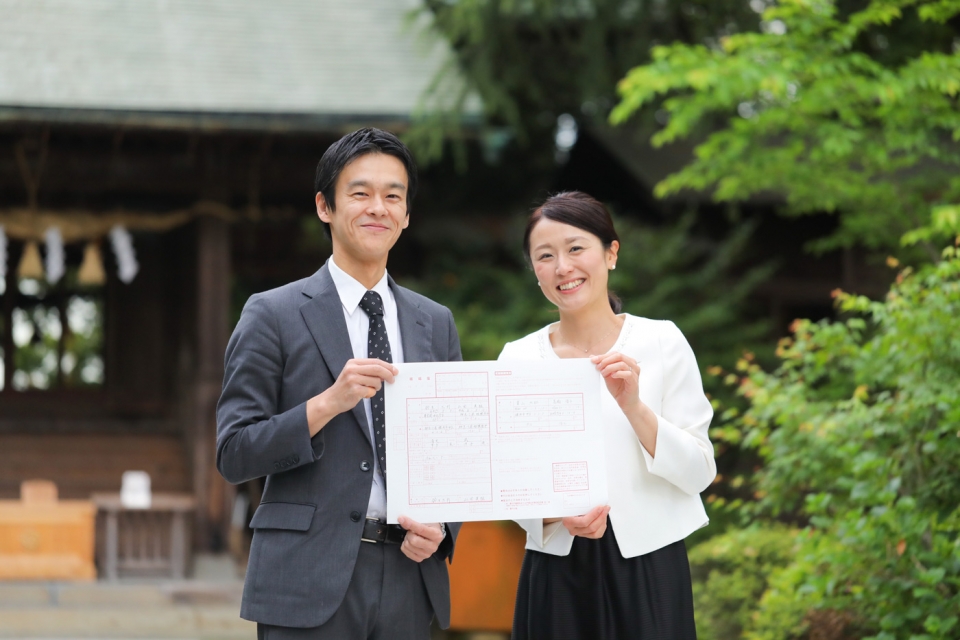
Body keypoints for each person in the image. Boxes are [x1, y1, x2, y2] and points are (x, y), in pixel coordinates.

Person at [217, 128, 462, 639]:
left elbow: (455, 454)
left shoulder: (434, 322)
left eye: (393, 195)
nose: (379, 207)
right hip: (305, 579)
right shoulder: (272, 313)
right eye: (360, 193)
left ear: (407, 215)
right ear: (325, 206)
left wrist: (442, 532)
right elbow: (235, 453)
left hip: (409, 578)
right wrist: (327, 403)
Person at [499, 191, 716, 639]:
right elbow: (506, 484)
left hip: (650, 565)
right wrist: (554, 516)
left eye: (576, 248)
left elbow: (699, 472)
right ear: (534, 270)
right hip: (556, 567)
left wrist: (634, 406)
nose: (563, 267)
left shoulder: (662, 342)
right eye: (545, 255)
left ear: (610, 253)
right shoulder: (517, 358)